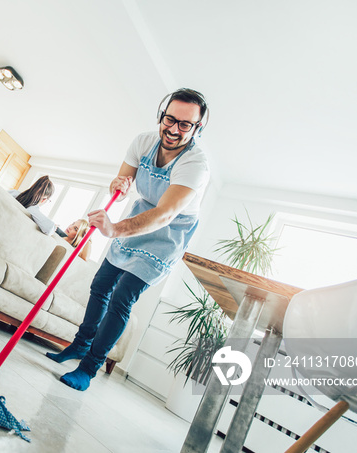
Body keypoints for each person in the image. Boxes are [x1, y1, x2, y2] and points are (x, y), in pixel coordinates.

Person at [47, 88, 211, 391]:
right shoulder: (144, 141)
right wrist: (118, 185)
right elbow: (122, 182)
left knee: (122, 297)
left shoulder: (195, 164)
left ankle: (89, 368)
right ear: (162, 115)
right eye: (169, 119)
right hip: (138, 218)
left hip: (168, 233)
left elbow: (164, 215)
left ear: (197, 128)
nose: (173, 129)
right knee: (100, 286)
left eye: (184, 124)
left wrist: (115, 229)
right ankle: (79, 346)